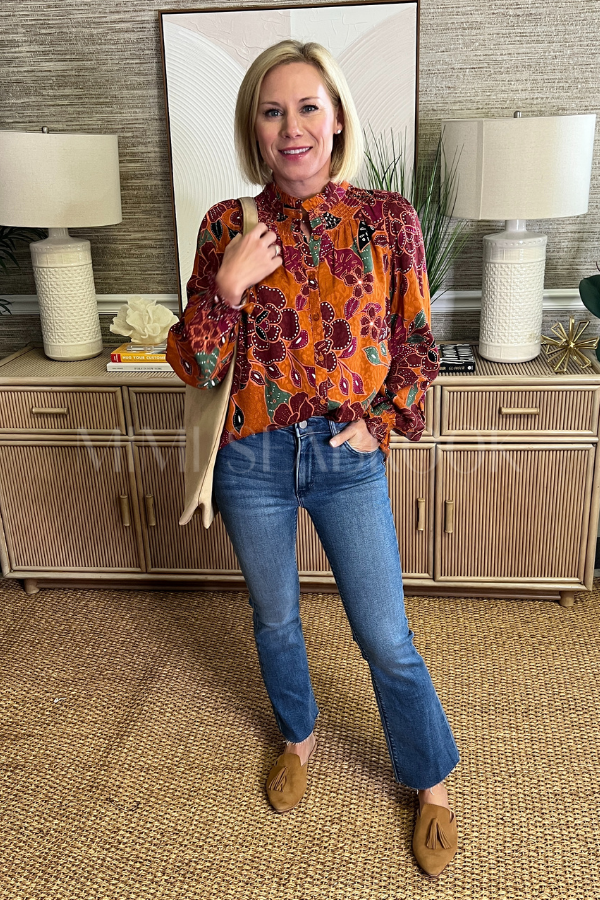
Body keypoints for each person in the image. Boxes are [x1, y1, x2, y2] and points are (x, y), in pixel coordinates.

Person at [166, 40, 460, 877]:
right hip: (250, 460)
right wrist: (227, 289)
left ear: (335, 121)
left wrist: (382, 424)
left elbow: (416, 343)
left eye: (307, 108)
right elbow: (195, 366)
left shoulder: (386, 221)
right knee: (275, 619)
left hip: (344, 454)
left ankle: (431, 780)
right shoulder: (226, 226)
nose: (291, 127)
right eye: (272, 111)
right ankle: (298, 736)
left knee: (385, 635)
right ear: (255, 129)